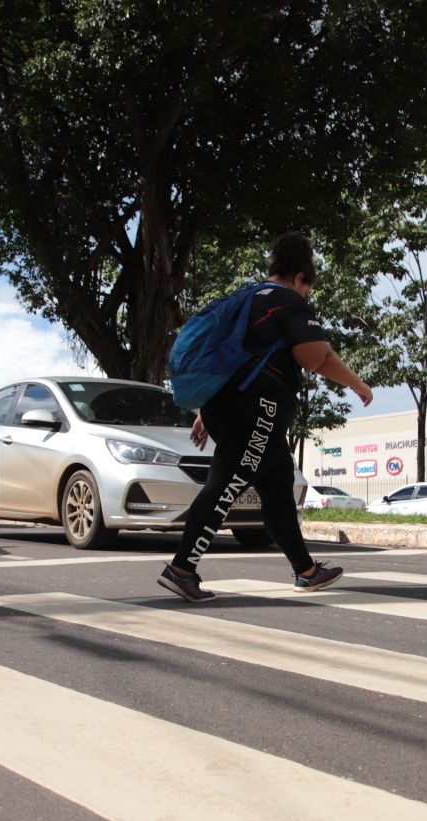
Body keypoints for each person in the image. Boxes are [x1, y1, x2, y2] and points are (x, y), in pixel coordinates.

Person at [158, 232, 373, 604]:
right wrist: (358, 384)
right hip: (258, 408)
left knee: (276, 488)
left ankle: (307, 572)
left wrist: (210, 411)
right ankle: (182, 569)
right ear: (301, 276)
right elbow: (315, 356)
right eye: (308, 288)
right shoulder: (289, 300)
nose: (307, 295)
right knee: (226, 486)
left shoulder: (249, 297)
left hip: (231, 403)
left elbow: (235, 359)